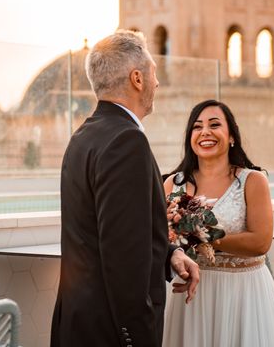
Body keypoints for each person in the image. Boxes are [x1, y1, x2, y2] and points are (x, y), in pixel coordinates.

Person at [51, 30, 199, 347]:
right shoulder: (126, 141)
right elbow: (123, 257)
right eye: (153, 73)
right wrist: (136, 337)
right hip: (111, 333)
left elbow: (112, 232)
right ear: (137, 79)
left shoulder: (83, 137)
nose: (157, 83)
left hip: (79, 322)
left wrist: (170, 254)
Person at [162, 99, 274, 347]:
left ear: (231, 137)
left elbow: (260, 242)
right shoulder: (173, 183)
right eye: (197, 127)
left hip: (244, 292)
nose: (205, 132)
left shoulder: (253, 180)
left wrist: (201, 236)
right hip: (190, 294)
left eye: (214, 124)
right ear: (190, 138)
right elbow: (162, 238)